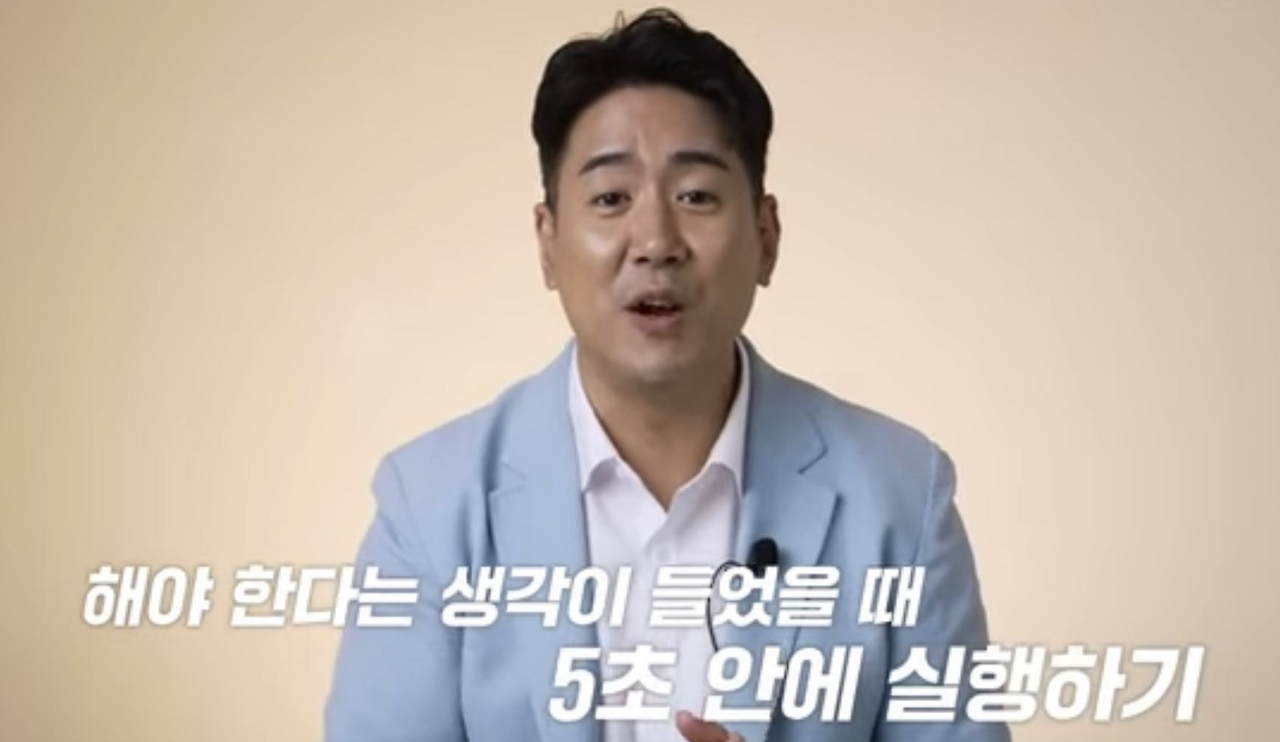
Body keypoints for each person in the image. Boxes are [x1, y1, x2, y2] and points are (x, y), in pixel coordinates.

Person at [325, 8, 1008, 742]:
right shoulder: (430, 507)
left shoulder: (901, 497)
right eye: (611, 199)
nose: (655, 241)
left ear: (766, 237)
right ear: (548, 243)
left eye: (697, 196)